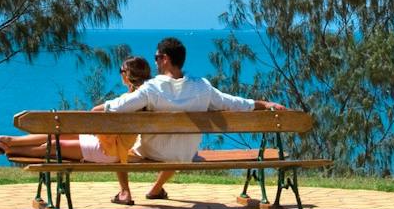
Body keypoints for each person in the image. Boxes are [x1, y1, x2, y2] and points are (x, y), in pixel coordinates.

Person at [101, 36, 285, 200]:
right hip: (185, 154)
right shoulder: (202, 87)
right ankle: (156, 190)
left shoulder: (151, 88)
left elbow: (118, 107)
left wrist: (99, 108)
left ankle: (125, 191)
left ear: (165, 59)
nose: (155, 62)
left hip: (152, 152)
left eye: (156, 58)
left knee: (120, 145)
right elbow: (232, 102)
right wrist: (263, 104)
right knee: (177, 146)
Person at [0, 56, 154, 205]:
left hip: (107, 150)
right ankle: (5, 141)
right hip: (108, 145)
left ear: (128, 75)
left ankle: (3, 148)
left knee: (53, 145)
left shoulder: (131, 100)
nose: (120, 74)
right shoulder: (143, 98)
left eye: (121, 70)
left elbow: (95, 111)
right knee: (55, 134)